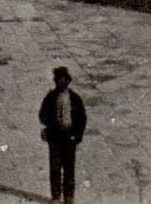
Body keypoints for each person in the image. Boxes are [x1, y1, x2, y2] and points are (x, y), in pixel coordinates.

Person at [38, 66, 87, 202]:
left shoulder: (75, 99)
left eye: (64, 80)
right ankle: (55, 197)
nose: (61, 83)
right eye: (58, 80)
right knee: (55, 168)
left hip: (69, 138)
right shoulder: (51, 97)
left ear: (68, 81)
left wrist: (77, 137)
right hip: (54, 138)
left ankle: (69, 198)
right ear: (55, 82)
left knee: (69, 169)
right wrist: (50, 126)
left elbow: (82, 119)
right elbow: (42, 115)